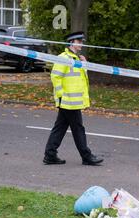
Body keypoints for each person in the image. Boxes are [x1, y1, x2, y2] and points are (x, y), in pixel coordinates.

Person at [43, 31, 103, 166]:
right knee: (78, 128)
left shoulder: (77, 59)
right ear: (71, 42)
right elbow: (55, 77)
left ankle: (50, 154)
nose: (81, 44)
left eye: (82, 41)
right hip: (67, 101)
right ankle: (86, 156)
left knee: (60, 128)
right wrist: (61, 96)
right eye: (79, 41)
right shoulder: (64, 58)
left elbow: (81, 79)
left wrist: (85, 65)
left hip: (72, 102)